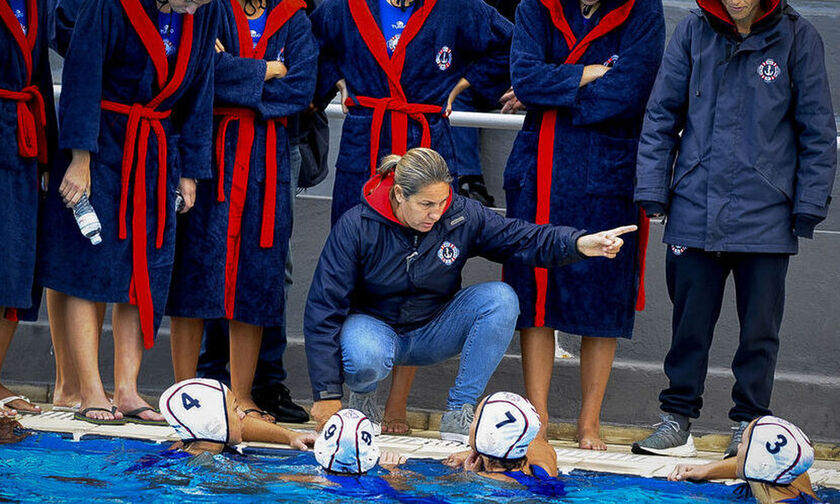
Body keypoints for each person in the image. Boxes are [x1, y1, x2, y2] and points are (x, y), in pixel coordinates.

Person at [304, 147, 637, 441]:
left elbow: (522, 238)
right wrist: (327, 392)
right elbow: (323, 306)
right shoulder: (357, 224)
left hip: (433, 328)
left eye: (442, 201)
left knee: (502, 298)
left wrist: (580, 243)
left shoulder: (461, 213)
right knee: (363, 356)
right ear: (399, 195)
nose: (436, 213)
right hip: (374, 328)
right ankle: (362, 399)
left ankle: (459, 411)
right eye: (425, 205)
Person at [632, 0, 836, 458]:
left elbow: (818, 131)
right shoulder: (691, 31)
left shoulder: (799, 37)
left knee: (760, 330)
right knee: (688, 324)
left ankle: (749, 424)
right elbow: (661, 116)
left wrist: (807, 205)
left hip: (767, 211)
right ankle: (676, 421)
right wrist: (653, 190)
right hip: (693, 206)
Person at [36, 0, 218, 425]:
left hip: (156, 149)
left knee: (144, 271)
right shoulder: (109, 5)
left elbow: (200, 88)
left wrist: (190, 170)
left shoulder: (203, 12)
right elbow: (81, 75)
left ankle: (128, 390)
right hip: (102, 145)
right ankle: (91, 391)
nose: (193, 8)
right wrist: (79, 158)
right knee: (89, 268)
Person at [502, 0, 665, 450]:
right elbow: (525, 79)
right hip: (540, 166)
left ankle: (588, 421)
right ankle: (537, 415)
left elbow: (630, 89)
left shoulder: (642, 11)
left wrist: (556, 84)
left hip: (608, 170)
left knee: (603, 298)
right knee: (535, 295)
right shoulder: (535, 6)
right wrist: (586, 73)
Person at [166, 0, 318, 424]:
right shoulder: (209, 9)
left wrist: (231, 70)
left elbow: (301, 88)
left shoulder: (294, 18)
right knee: (195, 271)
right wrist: (266, 69)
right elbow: (198, 73)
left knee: (257, 274)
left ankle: (243, 395)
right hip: (208, 153)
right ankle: (186, 389)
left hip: (266, 163)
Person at [310, 0, 514, 225]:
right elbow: (308, 46)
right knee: (355, 237)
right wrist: (337, 81)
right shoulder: (343, 6)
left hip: (427, 138)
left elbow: (510, 43)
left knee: (431, 237)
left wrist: (461, 86)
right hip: (365, 138)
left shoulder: (457, 5)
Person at [0, 0, 59, 417]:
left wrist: (50, 159)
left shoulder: (37, 4)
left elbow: (39, 79)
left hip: (22, 142)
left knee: (16, 266)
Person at [667, 416, 826, 504]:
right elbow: (763, 463)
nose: (738, 449)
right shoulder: (796, 478)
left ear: (755, 463)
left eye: (743, 443)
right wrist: (703, 470)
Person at [159, 378, 316, 456]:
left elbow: (235, 426)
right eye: (235, 408)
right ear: (216, 422)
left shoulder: (185, 448)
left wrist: (292, 436)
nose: (243, 414)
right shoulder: (210, 467)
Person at [443, 392, 561, 486]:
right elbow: (531, 439)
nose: (470, 425)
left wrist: (468, 475)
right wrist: (480, 450)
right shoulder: (544, 462)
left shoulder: (481, 481)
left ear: (486, 435)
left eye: (474, 418)